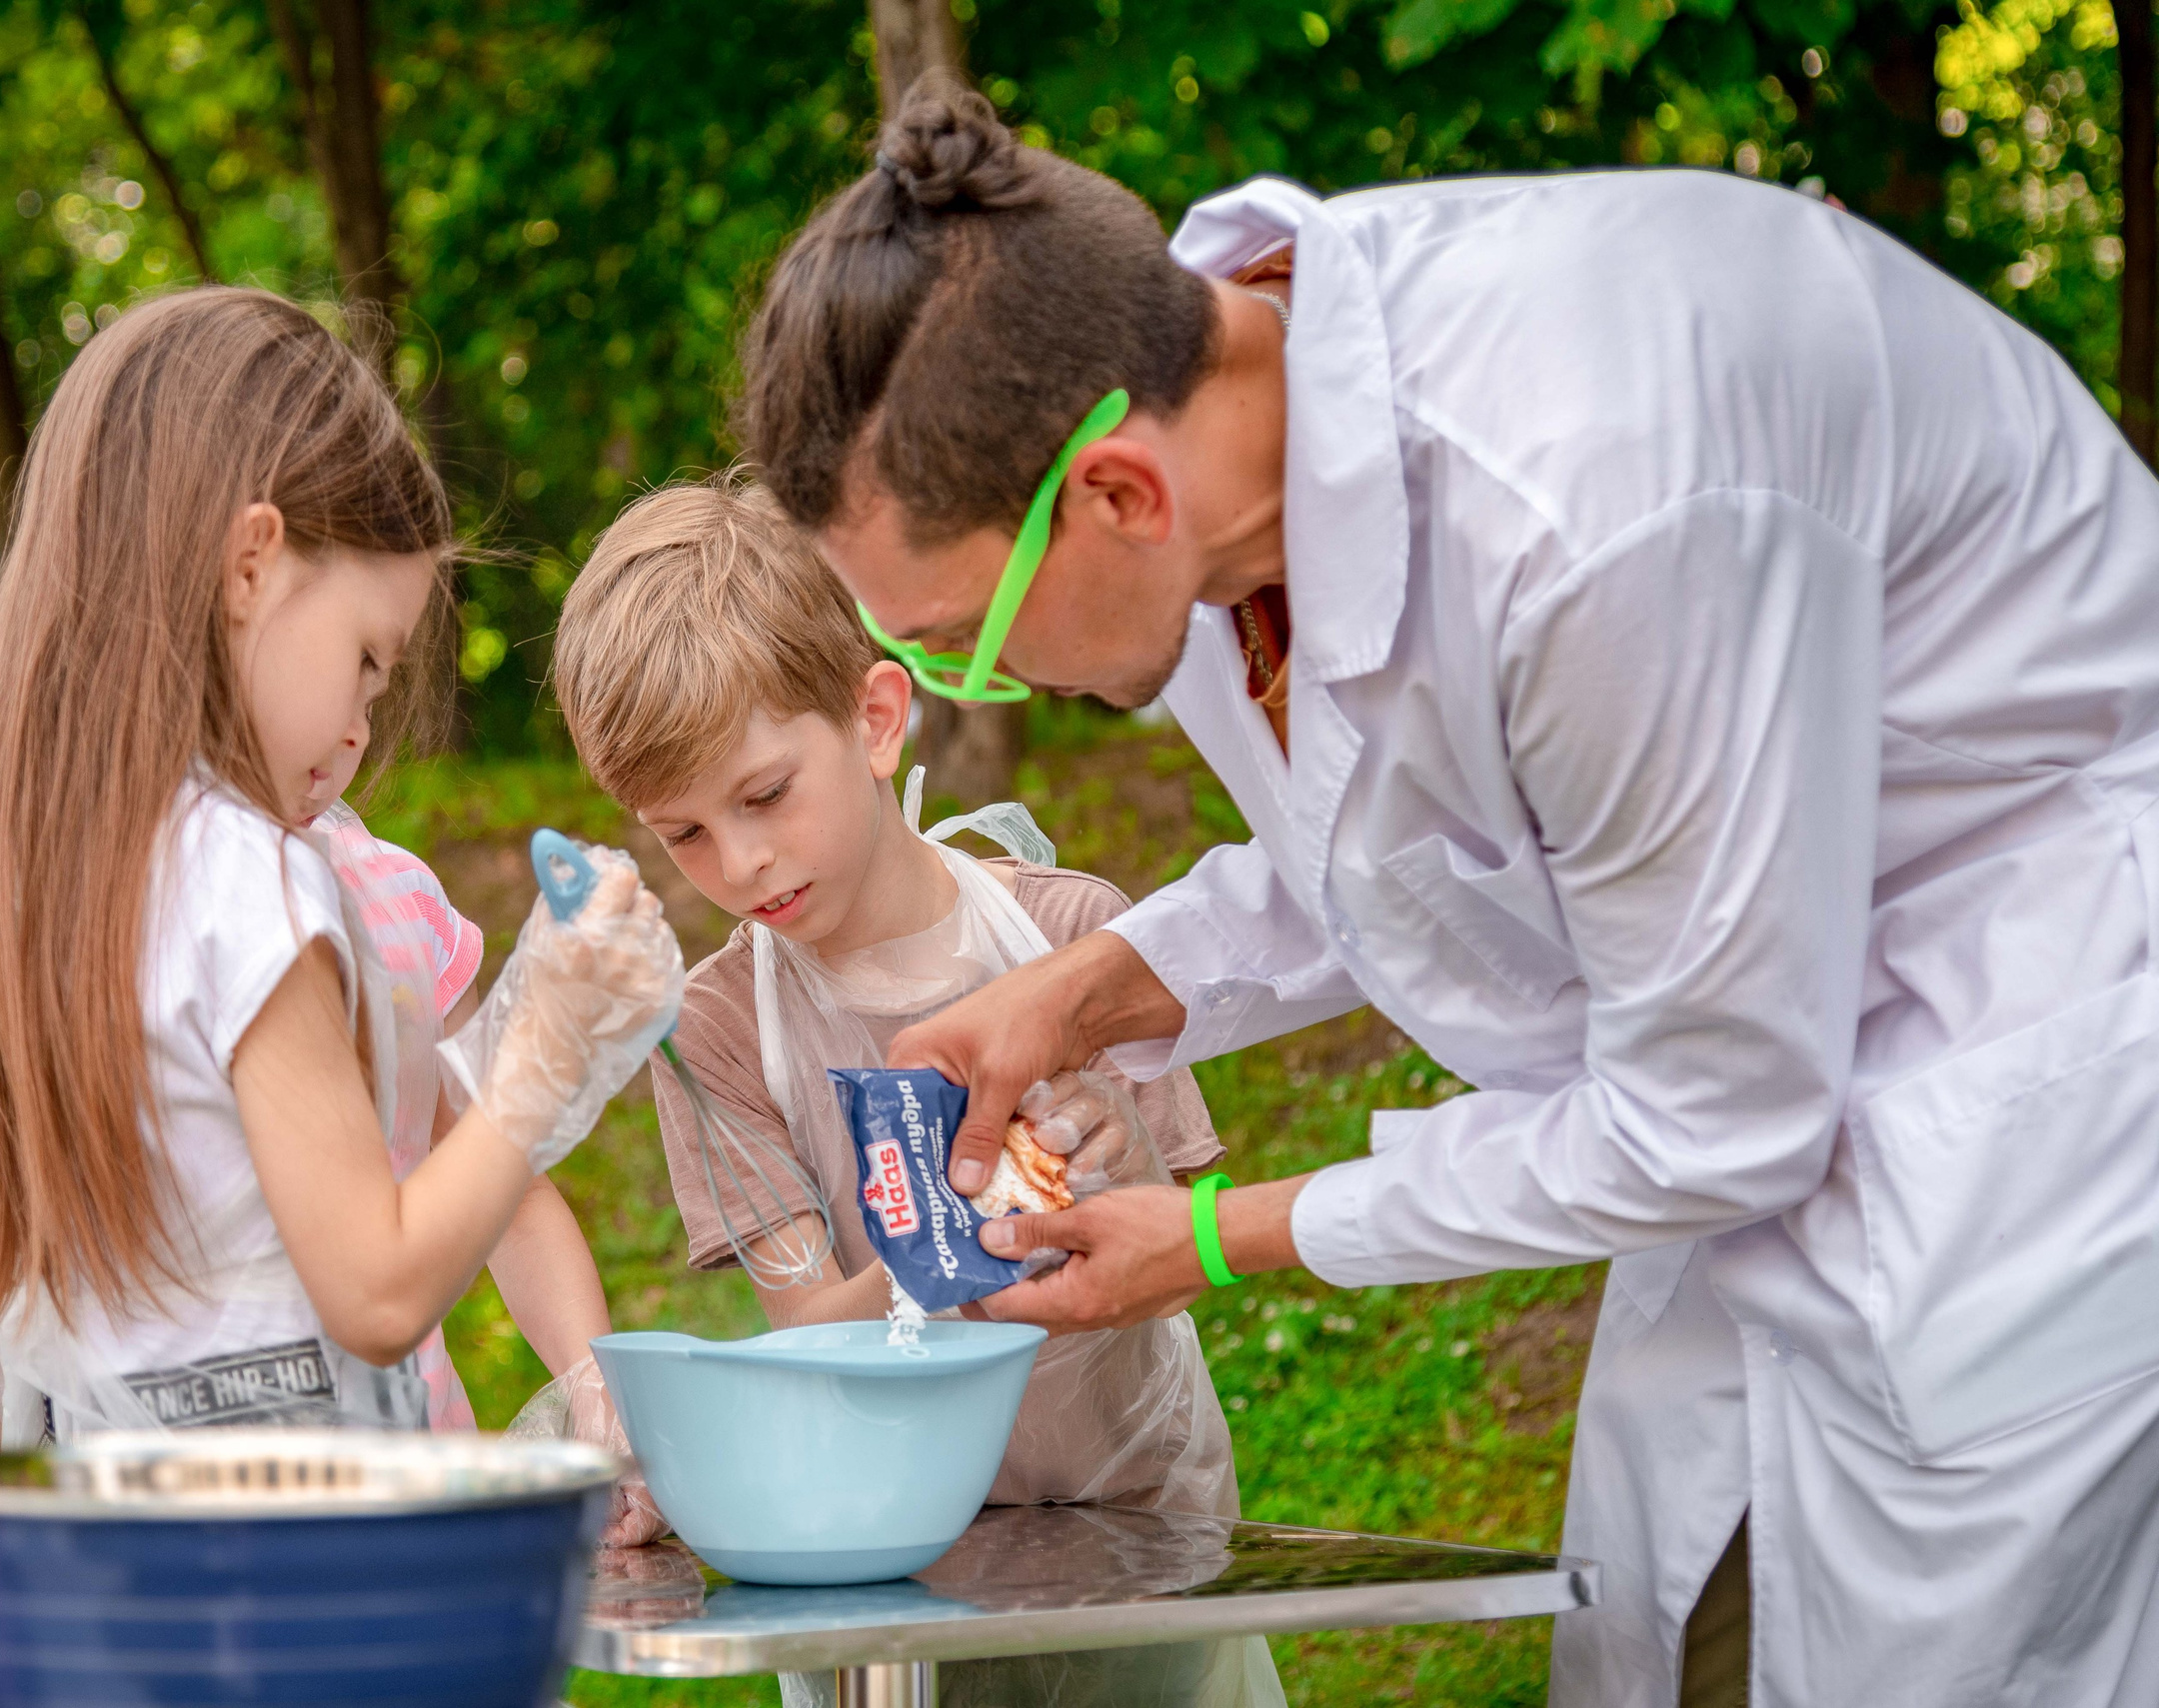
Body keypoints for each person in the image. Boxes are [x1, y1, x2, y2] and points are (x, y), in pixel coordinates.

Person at [735, 71, 2159, 1708]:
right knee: (1686, 1633)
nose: (966, 680)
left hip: (2030, 1071)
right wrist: (1082, 987)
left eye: (956, 637)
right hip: (1785, 1073)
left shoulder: (1587, 511)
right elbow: (1406, 842)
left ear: (1116, 494)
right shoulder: (1221, 436)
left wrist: (1213, 1236)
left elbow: (1711, 1114)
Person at [0, 291, 683, 1550]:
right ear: (250, 565)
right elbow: (378, 1288)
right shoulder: (245, 876)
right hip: (320, 1585)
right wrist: (552, 1045)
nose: (363, 715)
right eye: (365, 655)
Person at [551, 478, 1283, 1708]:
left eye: (764, 794)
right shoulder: (719, 1029)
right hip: (884, 1562)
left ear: (876, 716)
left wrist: (1125, 1163)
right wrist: (959, 1237)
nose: (742, 863)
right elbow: (811, 1334)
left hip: (1143, 1522)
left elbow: (1183, 1256)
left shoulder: (1074, 940)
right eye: (683, 834)